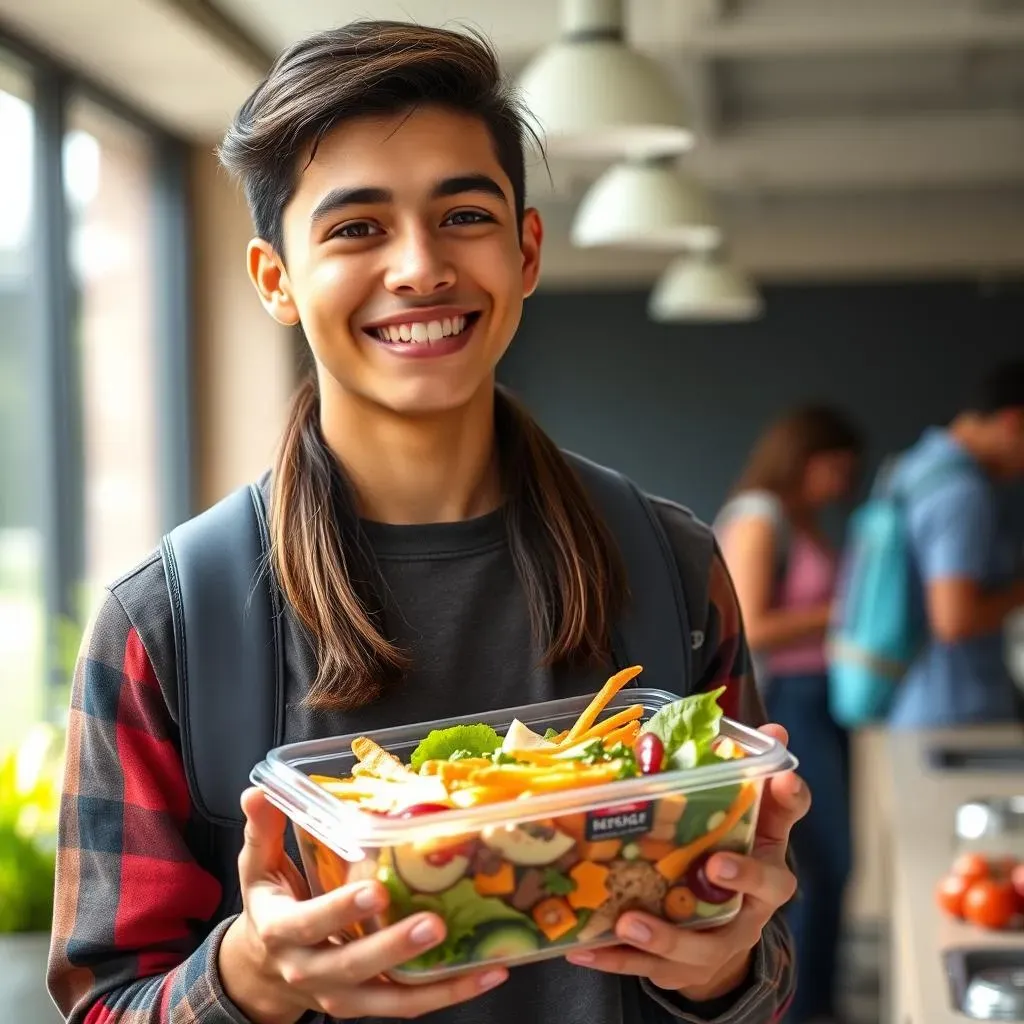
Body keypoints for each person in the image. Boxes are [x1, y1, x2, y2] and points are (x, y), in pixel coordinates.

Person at [47, 21, 807, 1024]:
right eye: (356, 227)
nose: (420, 268)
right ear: (275, 279)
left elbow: (747, 969)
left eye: (463, 215)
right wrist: (246, 978)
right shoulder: (167, 622)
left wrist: (720, 968)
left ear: (526, 251)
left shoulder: (670, 566)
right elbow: (105, 1000)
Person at [715, 405, 863, 1024]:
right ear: (806, 459)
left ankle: (819, 1000)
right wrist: (846, 612)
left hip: (820, 699)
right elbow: (752, 625)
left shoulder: (800, 521)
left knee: (831, 860)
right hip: (785, 705)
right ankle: (796, 1009)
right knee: (811, 862)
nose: (844, 482)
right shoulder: (758, 519)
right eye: (837, 468)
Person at [887, 361, 1024, 729]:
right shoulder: (962, 494)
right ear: (1013, 422)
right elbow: (954, 620)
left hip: (906, 696)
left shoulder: (913, 467)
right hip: (955, 711)